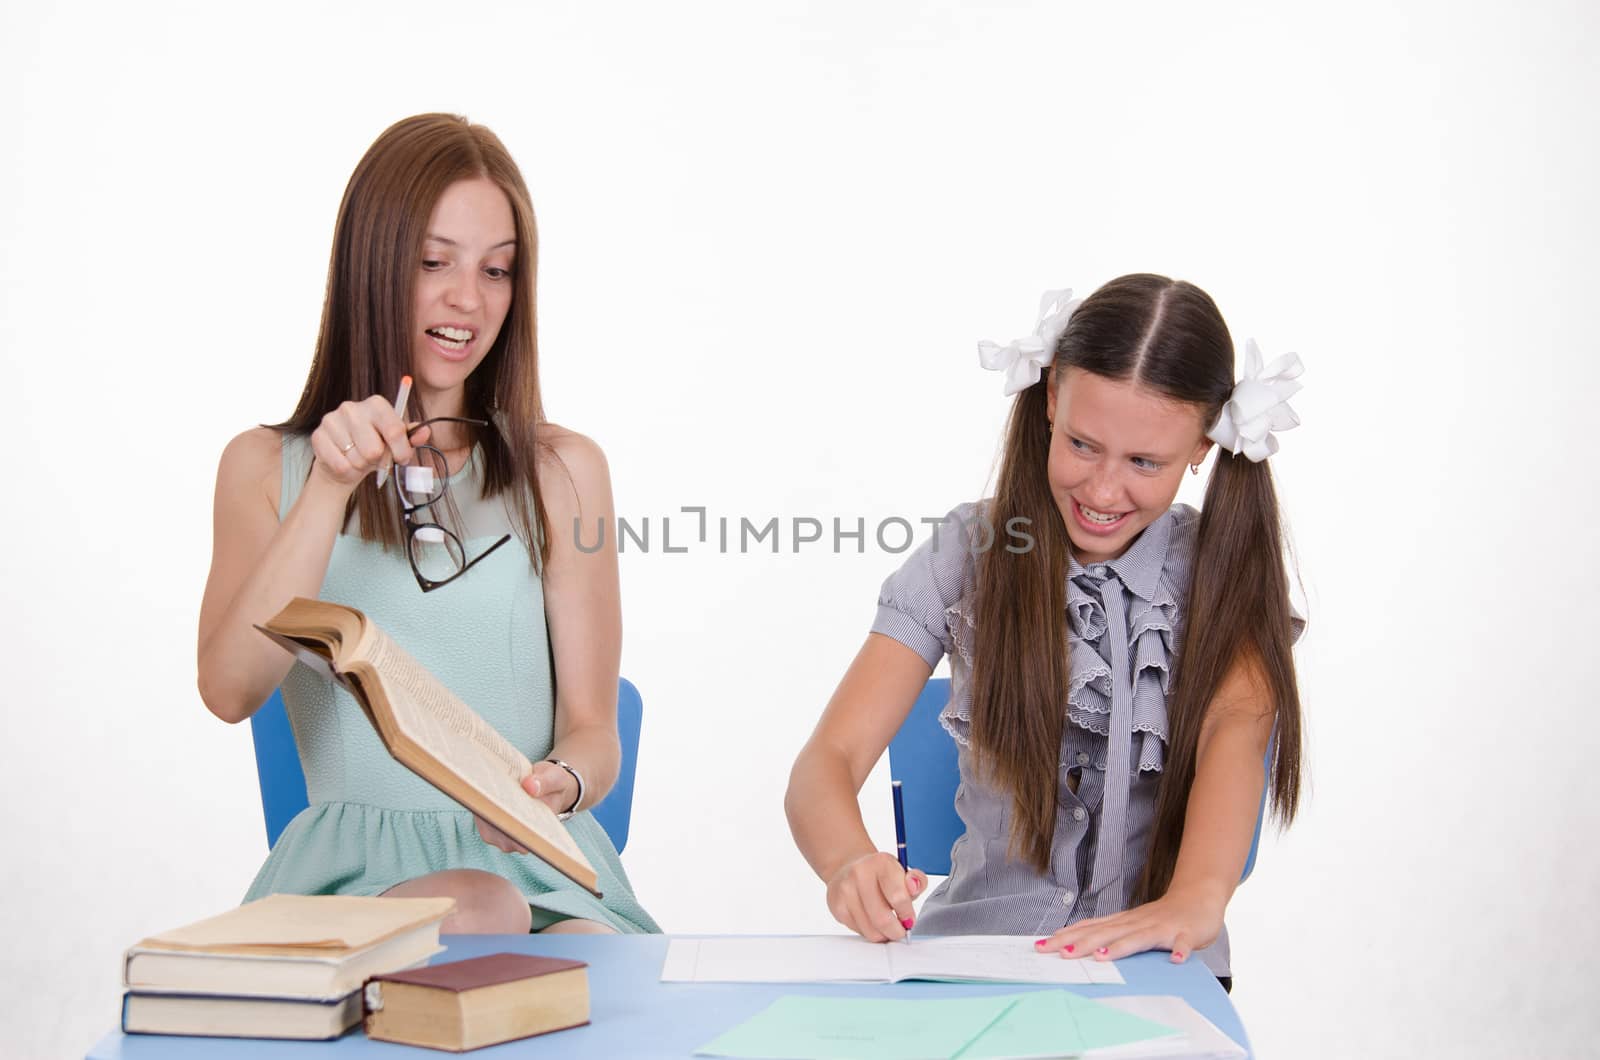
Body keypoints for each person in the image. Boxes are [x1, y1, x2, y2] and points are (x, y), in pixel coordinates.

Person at [197, 113, 657, 935]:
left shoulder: (563, 471)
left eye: (497, 270)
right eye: (433, 262)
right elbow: (230, 691)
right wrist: (330, 487)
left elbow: (594, 730)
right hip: (354, 884)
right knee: (479, 908)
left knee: (586, 950)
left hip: (535, 864)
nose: (467, 300)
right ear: (373, 266)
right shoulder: (266, 467)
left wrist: (564, 781)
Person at [786, 274, 1304, 983]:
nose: (1102, 490)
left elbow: (1234, 737)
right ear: (1052, 399)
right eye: (1084, 445)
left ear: (1202, 445)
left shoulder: (1226, 572)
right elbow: (827, 761)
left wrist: (1193, 899)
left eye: (1144, 462)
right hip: (971, 961)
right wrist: (847, 862)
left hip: (1156, 965)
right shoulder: (967, 551)